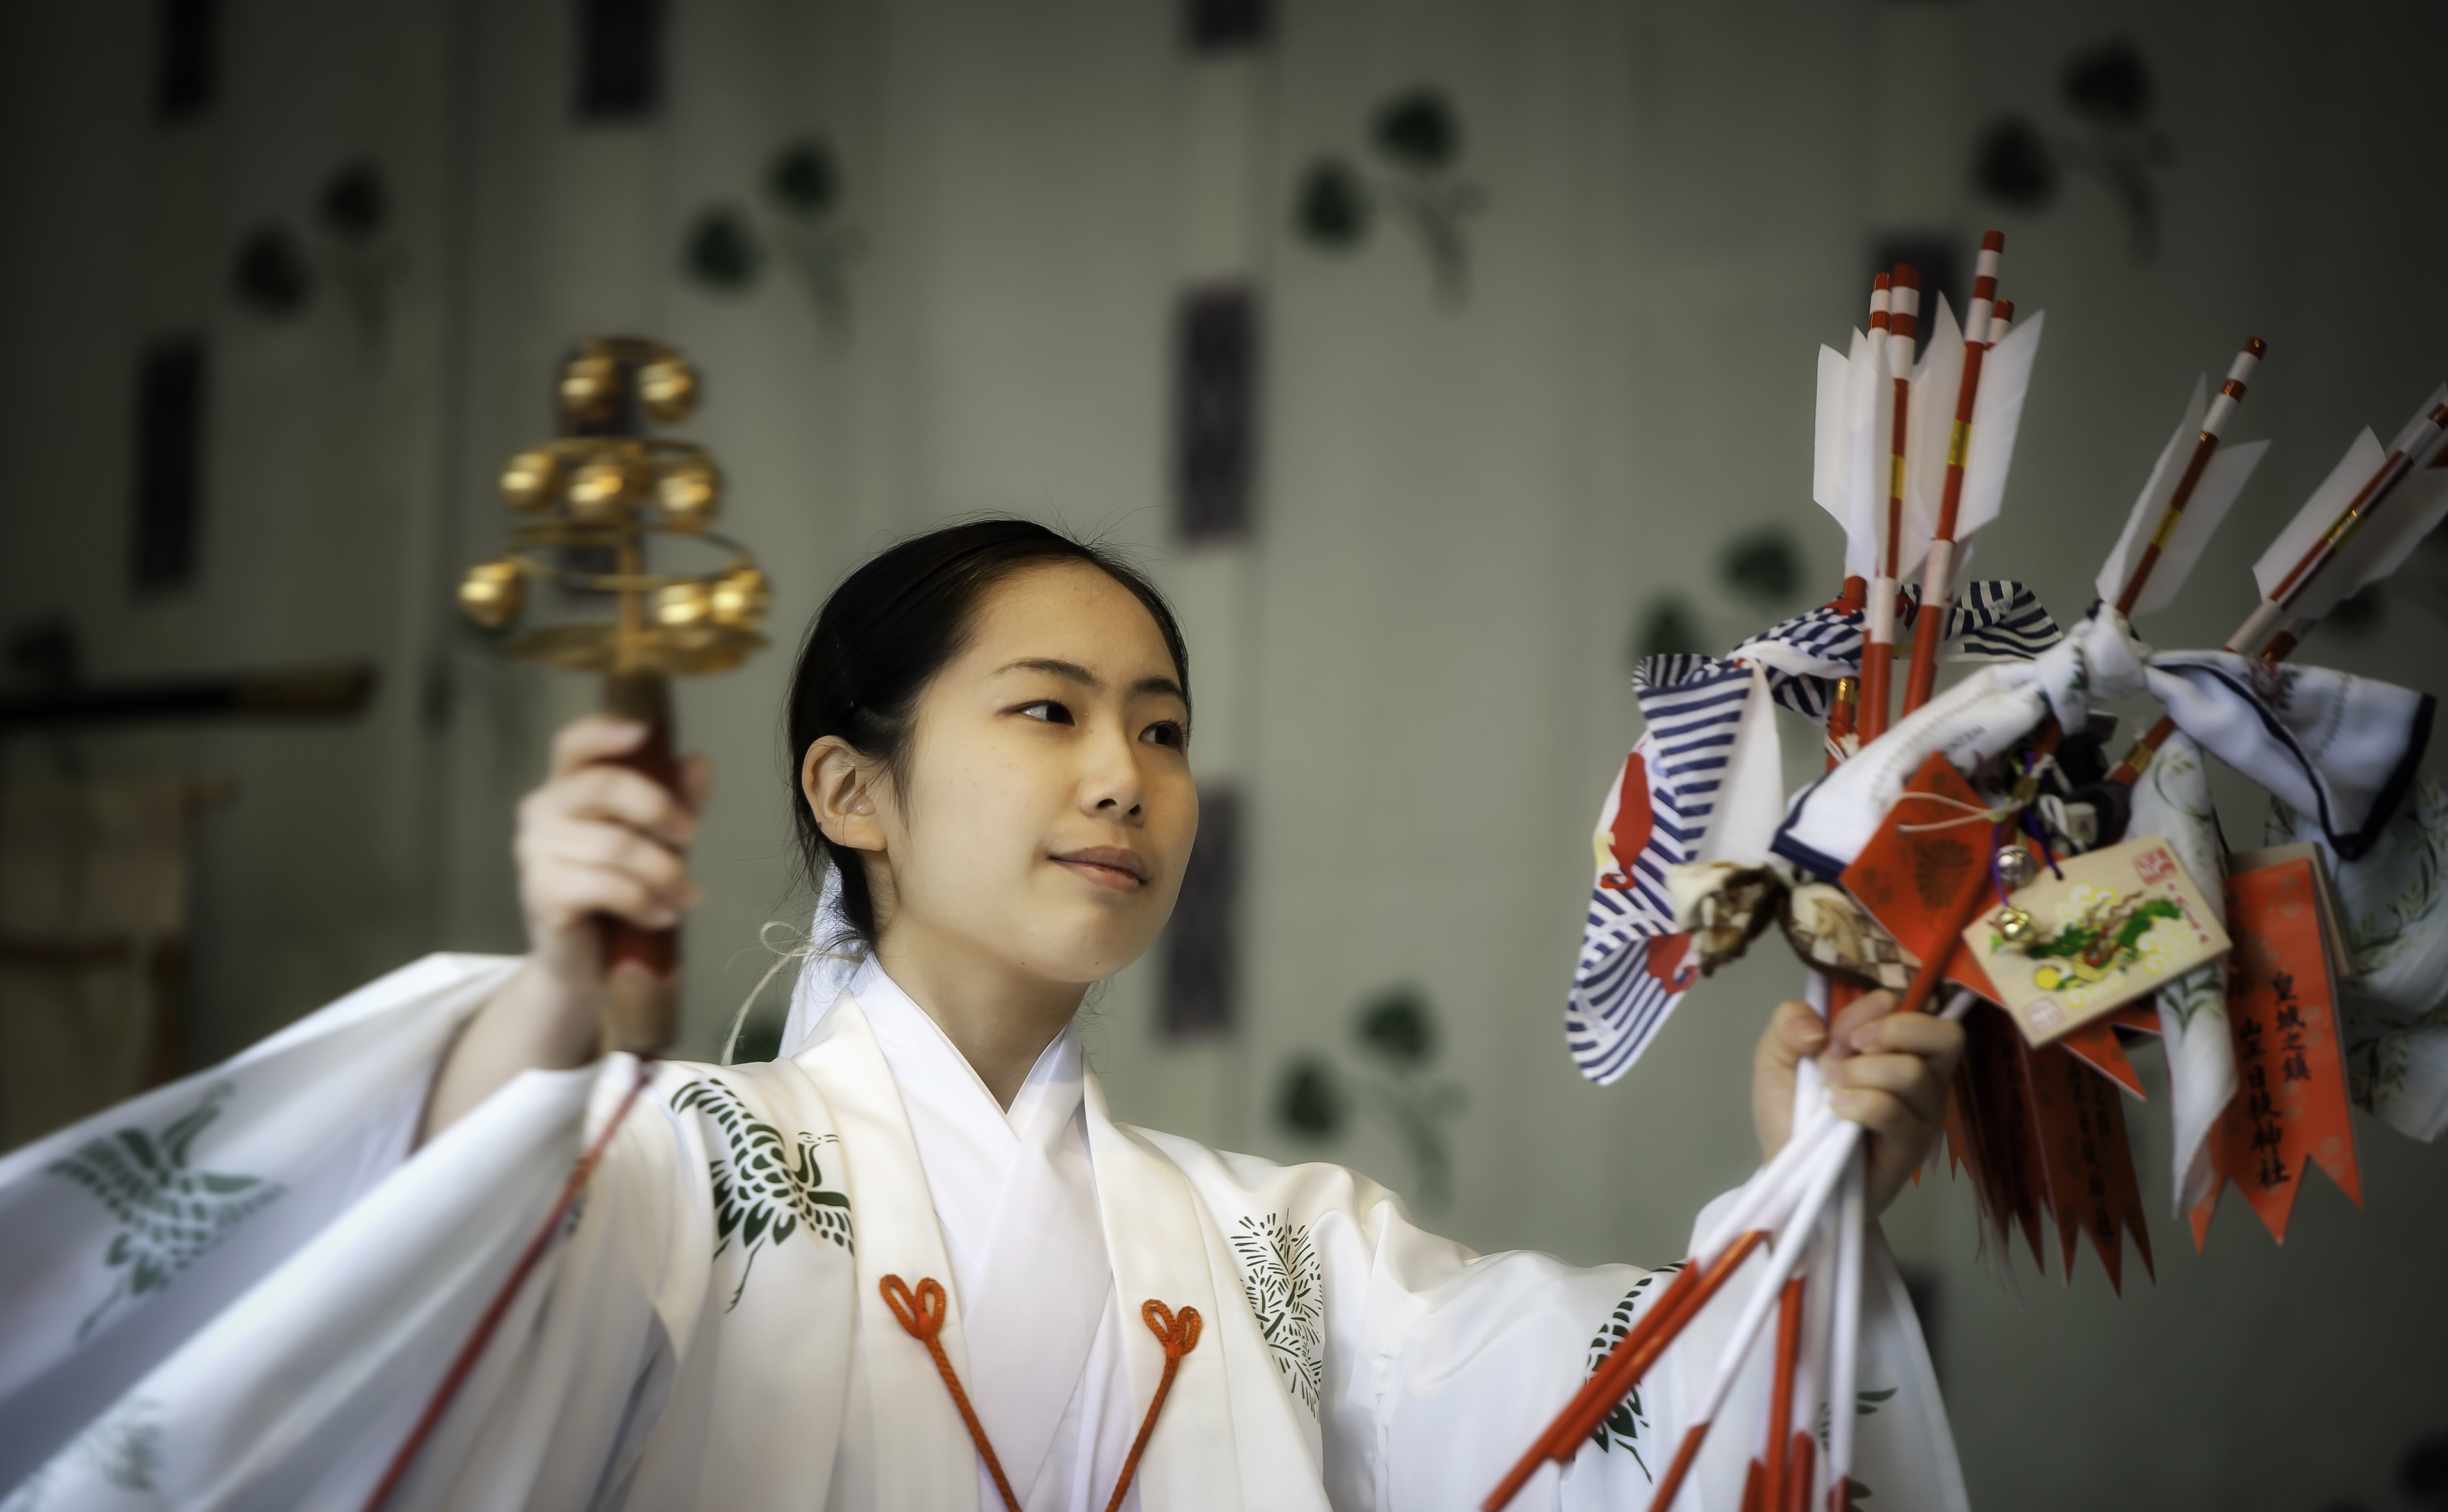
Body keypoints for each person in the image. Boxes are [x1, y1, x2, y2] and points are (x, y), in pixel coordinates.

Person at [0, 519, 1967, 1511]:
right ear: (852, 794)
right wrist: (549, 1026)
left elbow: (1622, 1421)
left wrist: (1809, 1177)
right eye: (1048, 712)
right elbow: (432, 1281)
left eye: (1166, 731)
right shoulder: (681, 1160)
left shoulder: (1277, 1250)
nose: (1125, 777)